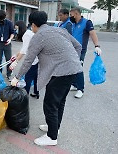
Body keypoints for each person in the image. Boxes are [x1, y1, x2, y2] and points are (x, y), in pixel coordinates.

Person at [11, 11, 83, 146]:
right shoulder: (60, 30)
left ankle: (51, 137)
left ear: (33, 24)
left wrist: (17, 77)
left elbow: (28, 60)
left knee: (50, 104)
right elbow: (78, 46)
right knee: (59, 102)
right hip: (73, 70)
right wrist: (73, 61)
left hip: (60, 73)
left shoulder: (38, 36)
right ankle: (55, 127)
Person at [70, 8, 102, 98]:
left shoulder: (87, 22)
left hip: (81, 49)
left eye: (71, 14)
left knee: (79, 68)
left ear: (76, 14)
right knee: (73, 67)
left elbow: (92, 34)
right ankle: (74, 84)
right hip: (72, 49)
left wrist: (97, 46)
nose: (70, 17)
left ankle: (80, 89)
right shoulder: (73, 23)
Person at [9, 21, 39, 99]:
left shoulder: (26, 35)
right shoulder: (28, 33)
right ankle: (36, 92)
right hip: (38, 58)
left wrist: (16, 61)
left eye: (17, 29)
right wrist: (16, 55)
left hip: (33, 59)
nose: (16, 31)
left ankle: (25, 96)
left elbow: (24, 50)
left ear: (20, 27)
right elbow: (23, 48)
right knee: (36, 77)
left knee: (28, 78)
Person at [0, 10, 14, 81]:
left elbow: (12, 33)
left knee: (9, 60)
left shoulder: (9, 23)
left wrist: (10, 39)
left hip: (7, 43)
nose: (1, 20)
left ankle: (9, 74)